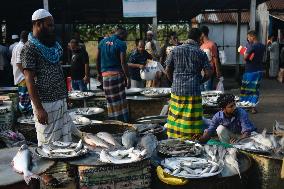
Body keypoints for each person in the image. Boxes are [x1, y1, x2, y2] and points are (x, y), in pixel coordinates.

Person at [21, 9, 85, 186]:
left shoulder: (52, 46)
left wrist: (65, 95)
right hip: (45, 103)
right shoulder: (29, 48)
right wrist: (39, 108)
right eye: (49, 25)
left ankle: (66, 166)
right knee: (47, 139)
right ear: (38, 24)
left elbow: (58, 72)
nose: (52, 29)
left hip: (60, 99)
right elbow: (29, 80)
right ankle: (46, 173)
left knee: (65, 136)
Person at [165, 28, 213, 140]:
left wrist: (174, 81)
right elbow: (208, 73)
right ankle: (192, 139)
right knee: (191, 117)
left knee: (177, 115)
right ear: (199, 38)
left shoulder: (175, 50)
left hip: (177, 89)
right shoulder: (201, 53)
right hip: (193, 90)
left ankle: (174, 138)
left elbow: (167, 69)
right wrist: (199, 81)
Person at [96, 26, 130, 122]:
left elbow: (97, 59)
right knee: (120, 101)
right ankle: (123, 122)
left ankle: (113, 122)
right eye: (126, 36)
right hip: (117, 76)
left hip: (105, 77)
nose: (126, 38)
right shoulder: (121, 43)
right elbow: (123, 63)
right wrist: (128, 77)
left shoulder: (102, 42)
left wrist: (99, 73)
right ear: (122, 34)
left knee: (110, 102)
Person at [240, 30, 265, 114]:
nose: (247, 39)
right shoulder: (262, 46)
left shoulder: (251, 46)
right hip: (260, 70)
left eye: (248, 37)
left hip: (251, 71)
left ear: (252, 37)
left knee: (248, 89)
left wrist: (243, 51)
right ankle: (253, 107)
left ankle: (247, 106)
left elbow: (245, 57)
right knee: (255, 90)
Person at [10, 30, 32, 114]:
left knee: (23, 96)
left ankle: (24, 112)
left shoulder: (16, 46)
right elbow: (18, 63)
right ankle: (24, 114)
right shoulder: (22, 47)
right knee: (24, 96)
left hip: (20, 76)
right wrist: (26, 74)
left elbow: (12, 62)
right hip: (23, 77)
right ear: (27, 38)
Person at [200, 26, 221, 91]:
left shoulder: (212, 44)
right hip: (201, 72)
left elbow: (215, 58)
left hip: (209, 71)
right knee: (201, 91)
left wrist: (217, 71)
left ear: (203, 34)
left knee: (208, 90)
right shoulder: (201, 45)